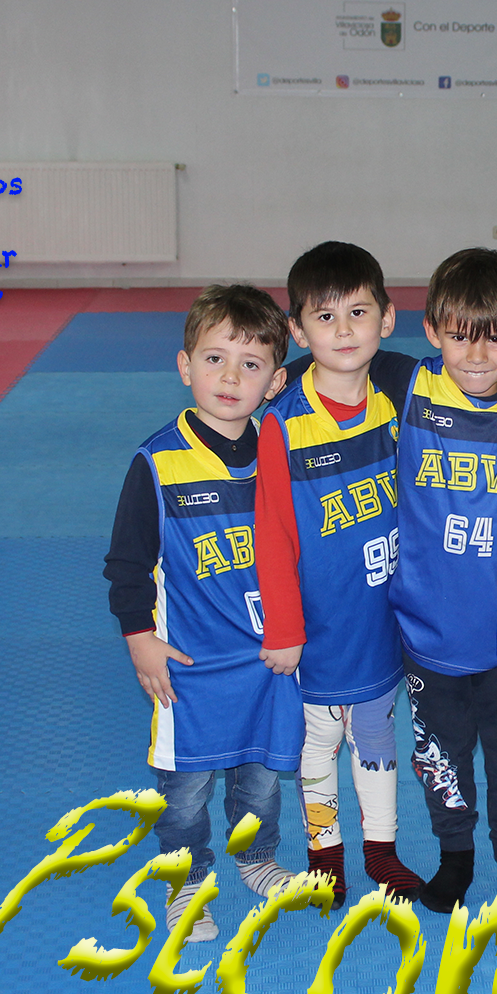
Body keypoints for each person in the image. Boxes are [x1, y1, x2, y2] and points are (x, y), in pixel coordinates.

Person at [102, 284, 306, 945]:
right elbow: (127, 564)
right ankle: (186, 876)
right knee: (185, 789)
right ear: (185, 365)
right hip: (189, 667)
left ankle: (257, 857)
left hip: (269, 662)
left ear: (275, 382)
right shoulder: (157, 462)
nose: (231, 378)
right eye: (215, 359)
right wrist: (140, 639)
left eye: (251, 364)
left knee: (263, 778)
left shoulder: (282, 454)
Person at [254, 242, 426, 906]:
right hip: (316, 628)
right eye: (324, 317)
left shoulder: (397, 405)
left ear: (387, 318)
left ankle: (382, 851)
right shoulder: (283, 423)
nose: (345, 330)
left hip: (381, 619)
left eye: (358, 312)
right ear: (298, 332)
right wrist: (285, 630)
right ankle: (325, 856)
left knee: (378, 740)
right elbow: (272, 536)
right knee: (316, 748)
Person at [390, 249, 497, 915]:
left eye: (495, 336)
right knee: (441, 757)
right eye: (460, 335)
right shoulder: (408, 390)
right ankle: (454, 855)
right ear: (432, 330)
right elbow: (328, 365)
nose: (477, 354)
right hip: (427, 632)